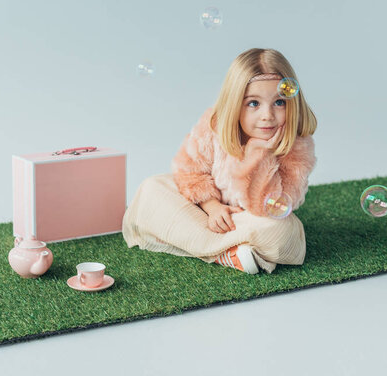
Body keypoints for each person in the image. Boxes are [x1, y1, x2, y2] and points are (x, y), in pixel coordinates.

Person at [122, 48, 317, 274]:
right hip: (208, 213)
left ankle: (197, 242)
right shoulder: (215, 124)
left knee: (281, 230)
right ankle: (228, 252)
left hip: (251, 219)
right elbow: (189, 172)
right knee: (152, 188)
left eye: (279, 103)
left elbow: (270, 208)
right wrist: (212, 207)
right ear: (235, 103)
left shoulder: (297, 145)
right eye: (254, 103)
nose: (268, 115)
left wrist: (259, 156)